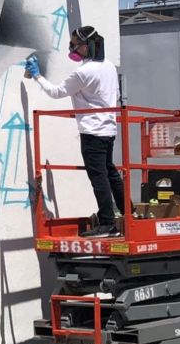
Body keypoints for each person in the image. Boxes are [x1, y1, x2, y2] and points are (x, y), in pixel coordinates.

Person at [25, 25, 124, 236]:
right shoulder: (109, 67)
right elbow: (113, 94)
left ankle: (107, 223)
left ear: (88, 46)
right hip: (108, 129)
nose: (73, 49)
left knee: (98, 177)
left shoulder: (83, 72)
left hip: (92, 131)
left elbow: (56, 92)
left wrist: (37, 75)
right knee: (110, 173)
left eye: (75, 45)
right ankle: (128, 213)